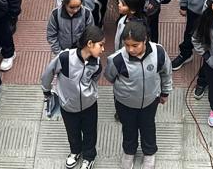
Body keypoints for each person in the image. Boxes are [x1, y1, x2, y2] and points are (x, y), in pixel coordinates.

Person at [104, 20, 172, 169]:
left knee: (148, 126)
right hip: (125, 103)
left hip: (150, 101)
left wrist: (165, 92)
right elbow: (110, 76)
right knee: (128, 127)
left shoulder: (159, 52)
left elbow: (166, 73)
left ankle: (149, 152)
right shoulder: (117, 59)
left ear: (145, 40)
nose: (131, 49)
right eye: (127, 45)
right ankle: (129, 152)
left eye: (135, 45)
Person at [41, 24, 104, 169]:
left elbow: (94, 79)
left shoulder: (96, 63)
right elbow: (48, 73)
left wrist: (91, 94)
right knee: (72, 131)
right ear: (89, 44)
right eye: (100, 45)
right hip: (68, 106)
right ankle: (75, 151)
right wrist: (46, 90)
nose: (103, 49)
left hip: (89, 105)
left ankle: (89, 156)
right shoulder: (65, 58)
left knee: (90, 132)